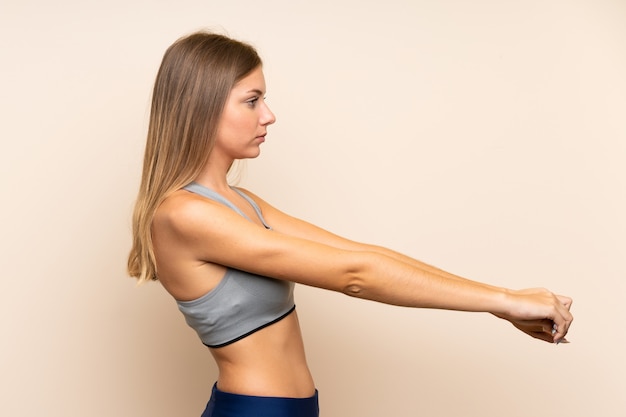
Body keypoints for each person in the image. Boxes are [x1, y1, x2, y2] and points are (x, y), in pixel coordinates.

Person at [127, 31, 573, 417]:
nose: (269, 115)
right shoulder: (184, 215)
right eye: (252, 100)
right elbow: (354, 276)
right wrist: (504, 301)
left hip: (295, 408)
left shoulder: (240, 203)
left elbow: (363, 255)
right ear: (202, 107)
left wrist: (503, 302)